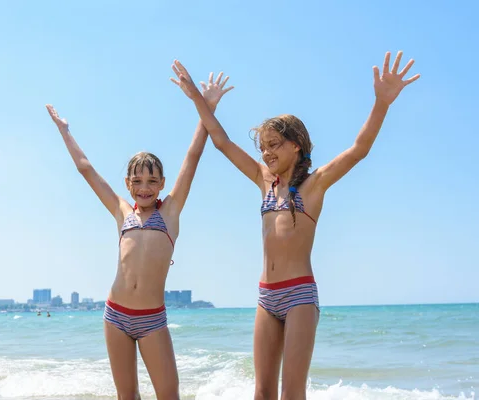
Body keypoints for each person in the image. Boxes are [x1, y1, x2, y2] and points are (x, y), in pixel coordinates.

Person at [171, 51, 420, 399]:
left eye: (274, 145)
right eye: (262, 148)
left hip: (300, 295)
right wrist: (199, 99)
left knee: (292, 392)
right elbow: (222, 141)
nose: (267, 153)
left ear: (296, 145)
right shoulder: (264, 180)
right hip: (265, 295)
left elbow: (358, 149)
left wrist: (381, 103)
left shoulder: (313, 184)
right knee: (262, 392)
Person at [45, 74, 233, 399]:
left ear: (161, 184)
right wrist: (65, 131)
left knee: (168, 394)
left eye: (151, 181)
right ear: (128, 185)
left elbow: (192, 158)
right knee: (127, 396)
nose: (144, 187)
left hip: (152, 319)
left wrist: (207, 108)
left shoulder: (170, 213)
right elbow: (86, 169)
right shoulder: (122, 212)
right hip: (115, 315)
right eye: (138, 180)